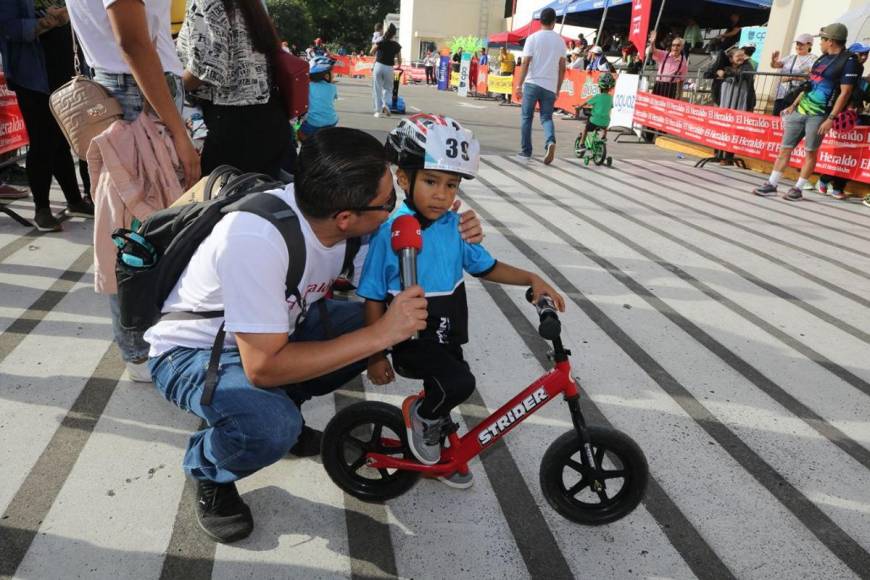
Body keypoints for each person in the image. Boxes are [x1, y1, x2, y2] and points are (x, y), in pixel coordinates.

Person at [145, 127, 486, 543]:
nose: (395, 208)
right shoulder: (255, 240)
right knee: (273, 425)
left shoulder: (342, 212)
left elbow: (414, 225)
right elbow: (264, 367)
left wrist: (455, 223)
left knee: (377, 324)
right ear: (347, 217)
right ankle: (211, 465)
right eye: (388, 203)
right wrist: (379, 337)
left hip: (278, 329)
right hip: (196, 351)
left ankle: (276, 404)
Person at [358, 114, 565, 479]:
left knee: (451, 379)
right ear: (404, 179)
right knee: (459, 384)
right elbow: (373, 297)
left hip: (449, 328)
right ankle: (424, 419)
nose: (442, 194)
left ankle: (438, 442)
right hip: (412, 336)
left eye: (452, 185)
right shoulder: (390, 233)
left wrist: (532, 277)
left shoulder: (454, 226)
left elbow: (486, 266)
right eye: (431, 181)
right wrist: (374, 356)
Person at [67, 0, 199, 381]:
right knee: (140, 229)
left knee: (142, 226)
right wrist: (178, 130)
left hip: (131, 86)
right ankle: (140, 348)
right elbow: (133, 43)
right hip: (136, 91)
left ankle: (142, 343)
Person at [0, 1, 94, 232]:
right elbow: (9, 28)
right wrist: (46, 22)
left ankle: (75, 201)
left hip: (68, 72)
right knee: (43, 142)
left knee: (63, 139)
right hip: (33, 77)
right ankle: (42, 208)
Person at [177, 0, 289, 179]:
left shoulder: (206, 2)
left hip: (230, 125)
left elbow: (207, 70)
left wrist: (170, 89)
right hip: (270, 115)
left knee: (220, 200)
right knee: (262, 201)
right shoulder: (252, 4)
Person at [753, 23, 860, 201]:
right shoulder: (821, 59)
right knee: (784, 148)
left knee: (810, 151)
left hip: (819, 115)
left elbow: (846, 92)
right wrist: (793, 105)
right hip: (800, 110)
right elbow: (809, 85)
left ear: (831, 41)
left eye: (823, 40)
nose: (820, 44)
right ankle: (772, 184)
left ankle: (798, 188)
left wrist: (831, 118)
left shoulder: (849, 61)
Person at [816, 42, 869, 200]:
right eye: (861, 54)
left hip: (854, 118)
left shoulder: (860, 72)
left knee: (851, 154)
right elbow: (844, 93)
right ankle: (825, 180)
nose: (864, 57)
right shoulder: (843, 68)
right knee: (841, 151)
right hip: (839, 117)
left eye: (866, 54)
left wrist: (857, 105)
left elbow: (860, 94)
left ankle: (837, 186)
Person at [515, 7, 566, 165]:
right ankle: (550, 141)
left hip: (532, 83)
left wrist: (519, 84)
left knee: (526, 118)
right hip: (549, 86)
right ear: (554, 22)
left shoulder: (533, 38)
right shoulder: (560, 41)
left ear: (540, 21)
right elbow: (562, 67)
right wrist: (557, 89)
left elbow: (525, 62)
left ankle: (526, 152)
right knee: (546, 117)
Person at [716, 49, 756, 165]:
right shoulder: (726, 65)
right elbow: (709, 72)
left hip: (741, 103)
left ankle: (728, 157)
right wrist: (720, 70)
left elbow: (741, 75)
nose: (741, 58)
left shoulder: (747, 66)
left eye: (742, 56)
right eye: (738, 56)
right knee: (722, 127)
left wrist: (726, 72)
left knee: (734, 130)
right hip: (725, 102)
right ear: (731, 59)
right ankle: (719, 154)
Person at [770, 34, 816, 116]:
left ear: (809, 45)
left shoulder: (813, 59)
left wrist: (791, 78)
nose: (798, 46)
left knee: (789, 120)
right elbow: (775, 65)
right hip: (781, 93)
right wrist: (773, 61)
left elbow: (811, 76)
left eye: (801, 44)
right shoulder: (791, 57)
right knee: (776, 117)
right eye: (797, 44)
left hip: (797, 95)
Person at [576, 73, 614, 156]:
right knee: (606, 120)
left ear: (600, 87)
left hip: (594, 120)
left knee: (586, 129)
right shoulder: (611, 98)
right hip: (605, 122)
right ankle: (604, 137)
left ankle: (581, 145)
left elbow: (586, 103)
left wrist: (579, 107)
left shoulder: (597, 96)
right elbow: (611, 107)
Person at [300, 56, 338, 139]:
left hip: (312, 124)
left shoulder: (307, 86)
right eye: (332, 72)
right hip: (332, 121)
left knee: (298, 130)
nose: (334, 74)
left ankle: (306, 144)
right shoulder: (333, 87)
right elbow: (333, 98)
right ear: (326, 76)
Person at [370, 23, 401, 117]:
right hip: (389, 68)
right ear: (394, 34)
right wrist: (398, 65)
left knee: (377, 88)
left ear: (386, 32)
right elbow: (399, 59)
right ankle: (385, 104)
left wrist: (376, 50)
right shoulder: (397, 45)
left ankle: (377, 111)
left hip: (379, 65)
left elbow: (371, 52)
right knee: (388, 88)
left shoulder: (381, 40)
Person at [647, 31, 687, 99]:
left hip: (671, 88)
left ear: (682, 47)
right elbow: (654, 51)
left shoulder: (683, 62)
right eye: (673, 45)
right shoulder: (664, 54)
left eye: (678, 45)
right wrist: (652, 42)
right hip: (659, 85)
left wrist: (679, 95)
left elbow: (681, 80)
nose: (675, 47)